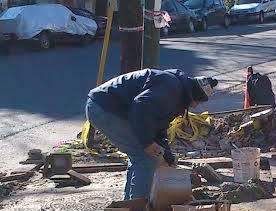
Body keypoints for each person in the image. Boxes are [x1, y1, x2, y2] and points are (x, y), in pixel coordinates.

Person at [85, 69, 217, 200]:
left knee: (140, 157)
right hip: (104, 108)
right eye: (198, 102)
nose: (195, 106)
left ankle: (129, 209)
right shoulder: (171, 89)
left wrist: (168, 157)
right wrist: (147, 142)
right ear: (194, 95)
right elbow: (140, 105)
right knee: (145, 158)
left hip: (106, 107)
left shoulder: (176, 92)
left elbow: (159, 126)